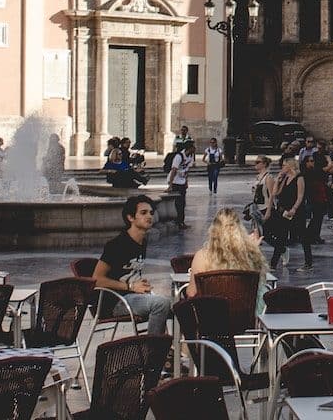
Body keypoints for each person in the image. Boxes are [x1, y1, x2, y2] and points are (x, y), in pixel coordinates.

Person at [93, 195, 172, 334]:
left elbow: (127, 272)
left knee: (180, 306)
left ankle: (178, 349)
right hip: (115, 302)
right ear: (130, 217)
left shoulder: (142, 241)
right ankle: (154, 350)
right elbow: (97, 280)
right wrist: (130, 286)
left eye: (151, 213)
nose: (149, 216)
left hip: (133, 297)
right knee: (161, 304)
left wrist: (138, 282)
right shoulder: (117, 245)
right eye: (143, 213)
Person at [191, 207, 267, 274]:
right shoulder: (246, 257)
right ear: (240, 230)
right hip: (241, 290)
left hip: (213, 290)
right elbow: (258, 283)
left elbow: (192, 290)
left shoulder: (202, 257)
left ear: (213, 231)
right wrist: (254, 251)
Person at [265, 156, 307, 269]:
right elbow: (275, 193)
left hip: (296, 211)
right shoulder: (285, 178)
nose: (282, 167)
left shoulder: (299, 177)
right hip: (284, 211)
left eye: (284, 165)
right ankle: (273, 264)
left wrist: (294, 208)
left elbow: (300, 196)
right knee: (281, 237)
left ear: (290, 166)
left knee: (303, 236)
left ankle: (308, 262)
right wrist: (278, 180)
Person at [167, 142, 194, 227]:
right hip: (175, 182)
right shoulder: (179, 157)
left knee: (182, 203)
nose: (194, 149)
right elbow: (174, 170)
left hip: (182, 182)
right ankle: (178, 222)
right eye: (193, 147)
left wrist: (186, 182)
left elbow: (187, 170)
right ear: (189, 148)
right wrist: (170, 185)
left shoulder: (190, 157)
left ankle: (181, 221)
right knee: (178, 203)